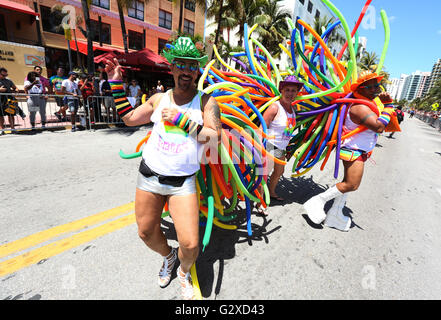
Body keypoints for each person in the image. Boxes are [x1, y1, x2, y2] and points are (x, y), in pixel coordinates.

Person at [104, 36, 221, 300]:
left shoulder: (206, 103)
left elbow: (215, 139)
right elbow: (129, 119)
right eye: (181, 64)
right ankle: (168, 257)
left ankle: (183, 271)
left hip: (183, 183)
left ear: (197, 70)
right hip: (149, 177)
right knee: (146, 233)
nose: (186, 71)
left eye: (192, 66)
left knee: (190, 245)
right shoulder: (159, 99)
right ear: (172, 68)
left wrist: (183, 121)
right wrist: (115, 83)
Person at [303, 71, 397, 232]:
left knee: (347, 183)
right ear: (361, 89)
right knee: (351, 185)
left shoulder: (365, 103)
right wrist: (388, 106)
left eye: (377, 85)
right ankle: (317, 201)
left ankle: (335, 214)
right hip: (354, 150)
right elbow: (379, 127)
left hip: (359, 150)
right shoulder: (359, 107)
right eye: (372, 86)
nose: (377, 89)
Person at [256, 75, 304, 215]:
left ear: (297, 93)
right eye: (287, 90)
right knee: (264, 175)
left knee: (279, 172)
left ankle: (271, 192)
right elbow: (261, 127)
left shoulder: (292, 110)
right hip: (270, 145)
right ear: (281, 90)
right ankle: (260, 202)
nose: (290, 93)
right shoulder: (274, 107)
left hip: (281, 147)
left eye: (293, 91)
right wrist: (260, 147)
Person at [0, 67, 18, 133]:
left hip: (9, 100)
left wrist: (16, 90)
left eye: (6, 75)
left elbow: (15, 87)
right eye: (3, 75)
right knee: (0, 115)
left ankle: (12, 129)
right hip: (0, 100)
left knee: (11, 114)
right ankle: (2, 130)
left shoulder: (8, 80)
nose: (5, 76)